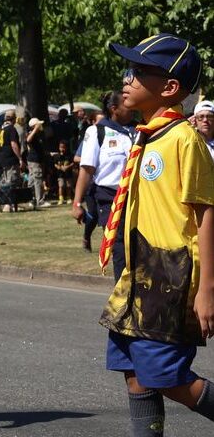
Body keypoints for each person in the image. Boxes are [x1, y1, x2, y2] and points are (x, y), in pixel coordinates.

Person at [97, 34, 214, 434]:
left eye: (140, 71)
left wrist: (207, 289)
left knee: (167, 377)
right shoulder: (147, 135)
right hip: (136, 272)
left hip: (170, 275)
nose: (128, 78)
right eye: (130, 69)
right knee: (134, 372)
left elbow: (206, 213)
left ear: (169, 88)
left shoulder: (184, 139)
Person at [71, 90, 135, 263]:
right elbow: (86, 170)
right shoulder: (97, 132)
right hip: (110, 199)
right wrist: (77, 203)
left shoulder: (139, 130)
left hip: (137, 198)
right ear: (114, 109)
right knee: (120, 250)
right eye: (126, 105)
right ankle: (121, 289)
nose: (132, 107)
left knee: (140, 251)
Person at [0, 110, 25, 210]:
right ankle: (8, 205)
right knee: (12, 181)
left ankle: (8, 203)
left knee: (6, 181)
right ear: (14, 118)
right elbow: (13, 144)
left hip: (2, 159)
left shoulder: (0, 129)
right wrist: (20, 158)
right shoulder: (11, 129)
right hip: (10, 159)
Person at [25, 117, 50, 208]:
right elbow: (28, 140)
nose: (41, 126)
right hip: (33, 160)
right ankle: (39, 201)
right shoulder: (31, 133)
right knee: (37, 180)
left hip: (38, 159)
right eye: (39, 124)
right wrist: (35, 129)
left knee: (33, 180)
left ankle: (33, 200)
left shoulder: (40, 134)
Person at [51, 140, 75, 206]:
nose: (62, 149)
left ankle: (69, 198)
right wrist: (59, 167)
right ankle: (61, 198)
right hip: (60, 174)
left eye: (63, 147)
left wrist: (68, 167)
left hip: (68, 174)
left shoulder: (69, 155)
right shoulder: (57, 156)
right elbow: (55, 164)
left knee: (68, 186)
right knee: (61, 186)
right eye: (61, 147)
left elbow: (73, 163)